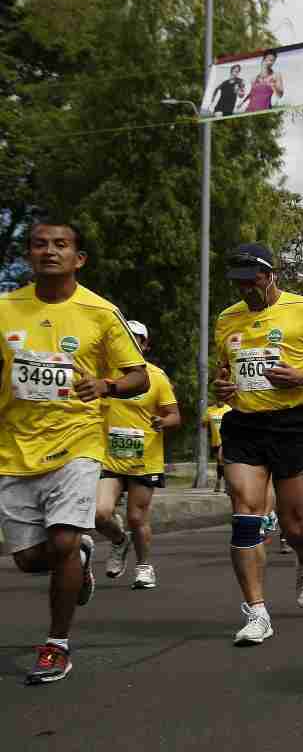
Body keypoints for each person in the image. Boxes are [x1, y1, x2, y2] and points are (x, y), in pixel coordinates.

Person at [0, 219, 149, 684]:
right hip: (15, 447)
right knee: (28, 559)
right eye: (40, 244)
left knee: (64, 538)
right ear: (29, 254)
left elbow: (138, 376)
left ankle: (56, 644)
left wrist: (106, 383)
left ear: (78, 258)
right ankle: (80, 561)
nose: (50, 251)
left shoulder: (101, 313)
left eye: (61, 245)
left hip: (78, 442)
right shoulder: (5, 308)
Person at [212, 242, 303, 645]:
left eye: (251, 281)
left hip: (292, 423)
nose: (244, 290)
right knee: (245, 512)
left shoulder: (302, 310)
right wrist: (221, 385)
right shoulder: (226, 319)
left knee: (295, 526)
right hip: (244, 424)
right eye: (237, 283)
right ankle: (256, 611)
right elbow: (225, 370)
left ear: (270, 274)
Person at [93, 320, 180, 590]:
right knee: (99, 514)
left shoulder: (155, 376)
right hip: (110, 456)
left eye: (138, 339)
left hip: (144, 458)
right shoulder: (105, 373)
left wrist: (163, 423)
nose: (133, 343)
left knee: (136, 517)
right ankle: (119, 541)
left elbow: (175, 416)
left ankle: (144, 567)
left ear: (145, 345)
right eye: (128, 338)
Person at [204, 397, 232, 493]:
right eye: (218, 399)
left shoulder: (229, 409)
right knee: (220, 463)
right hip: (215, 441)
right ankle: (220, 482)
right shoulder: (210, 410)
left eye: (222, 399)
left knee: (221, 459)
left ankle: (226, 484)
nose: (220, 401)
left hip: (225, 440)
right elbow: (203, 423)